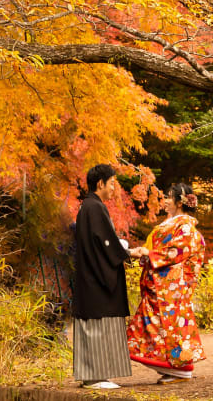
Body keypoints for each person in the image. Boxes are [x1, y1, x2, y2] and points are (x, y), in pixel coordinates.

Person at [72, 163, 148, 390]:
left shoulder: (89, 206)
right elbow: (106, 244)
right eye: (112, 183)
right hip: (95, 278)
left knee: (95, 324)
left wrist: (122, 250)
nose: (114, 188)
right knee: (97, 323)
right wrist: (129, 252)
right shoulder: (94, 207)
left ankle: (93, 375)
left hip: (90, 275)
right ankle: (95, 377)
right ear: (100, 183)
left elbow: (104, 242)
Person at [127, 182, 206, 384]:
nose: (166, 201)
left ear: (179, 202)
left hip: (170, 287)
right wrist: (143, 253)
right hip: (160, 283)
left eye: (169, 197)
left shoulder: (186, 226)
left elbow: (176, 252)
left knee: (165, 326)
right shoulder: (172, 223)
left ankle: (179, 368)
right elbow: (159, 249)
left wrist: (149, 253)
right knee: (159, 326)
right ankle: (176, 367)